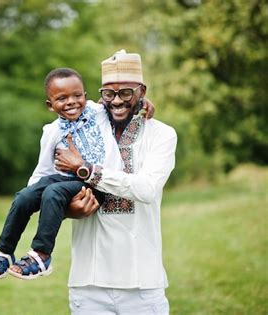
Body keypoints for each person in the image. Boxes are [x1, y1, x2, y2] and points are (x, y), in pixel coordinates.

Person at [56, 50, 177, 314]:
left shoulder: (161, 134)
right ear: (100, 96)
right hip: (88, 284)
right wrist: (67, 210)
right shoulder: (83, 128)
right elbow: (52, 182)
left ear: (141, 91)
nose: (117, 101)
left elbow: (146, 189)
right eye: (109, 94)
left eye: (126, 93)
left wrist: (87, 171)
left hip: (142, 283)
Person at [0, 67, 126, 280]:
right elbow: (43, 169)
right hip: (65, 180)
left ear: (86, 97)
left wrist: (145, 104)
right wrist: (32, 195)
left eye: (77, 95)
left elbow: (122, 102)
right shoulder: (51, 132)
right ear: (50, 105)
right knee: (24, 196)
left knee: (54, 192)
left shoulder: (99, 112)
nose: (71, 102)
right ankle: (5, 252)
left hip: (97, 182)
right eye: (62, 98)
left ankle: (42, 255)